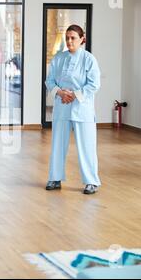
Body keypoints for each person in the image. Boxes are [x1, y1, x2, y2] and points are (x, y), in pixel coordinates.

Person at [45, 24, 101, 195]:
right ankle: (55, 178)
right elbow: (49, 81)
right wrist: (61, 93)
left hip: (82, 108)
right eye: (67, 37)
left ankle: (91, 181)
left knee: (86, 146)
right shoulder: (59, 58)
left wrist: (75, 95)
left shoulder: (89, 59)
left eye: (73, 38)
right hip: (62, 107)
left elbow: (94, 84)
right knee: (57, 144)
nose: (69, 41)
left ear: (82, 39)